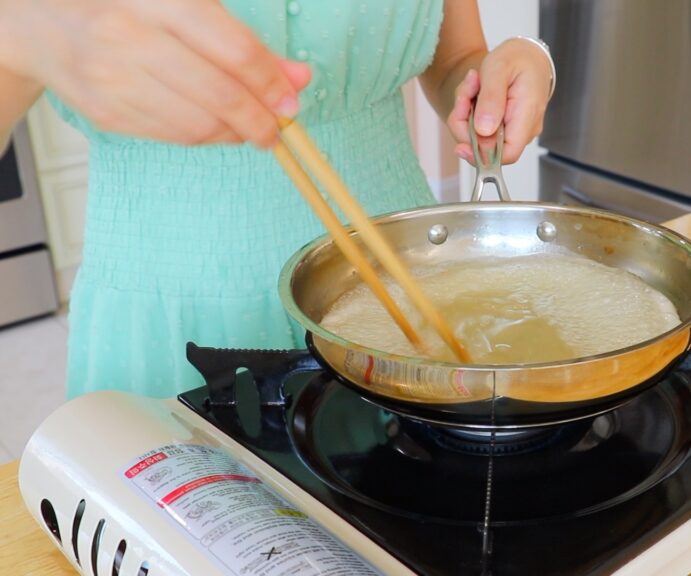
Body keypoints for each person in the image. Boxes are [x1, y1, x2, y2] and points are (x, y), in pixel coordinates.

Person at [0, 0, 554, 398]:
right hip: (171, 311)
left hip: (398, 280)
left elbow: (457, 57)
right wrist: (23, 32)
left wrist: (509, 72)